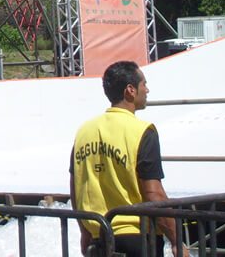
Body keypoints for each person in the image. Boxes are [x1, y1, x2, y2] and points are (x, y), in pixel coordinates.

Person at [70, 61, 188, 257]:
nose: (147, 90)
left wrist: (85, 232)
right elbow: (153, 193)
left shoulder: (84, 131)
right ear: (130, 90)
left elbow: (76, 187)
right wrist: (176, 240)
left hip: (99, 238)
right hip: (137, 238)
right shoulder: (142, 131)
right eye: (144, 84)